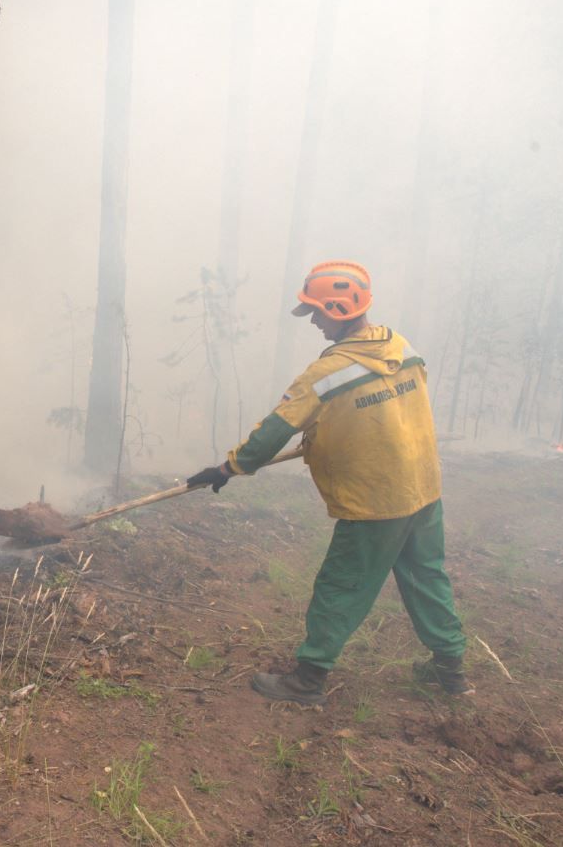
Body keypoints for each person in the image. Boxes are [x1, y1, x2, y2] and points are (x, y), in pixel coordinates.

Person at [186, 260, 470, 706]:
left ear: (339, 309)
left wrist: (228, 469)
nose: (315, 321)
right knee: (426, 577)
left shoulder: (326, 373)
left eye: (317, 312)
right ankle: (451, 670)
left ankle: (308, 678)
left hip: (377, 501)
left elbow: (274, 431)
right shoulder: (401, 345)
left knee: (341, 586)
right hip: (423, 488)